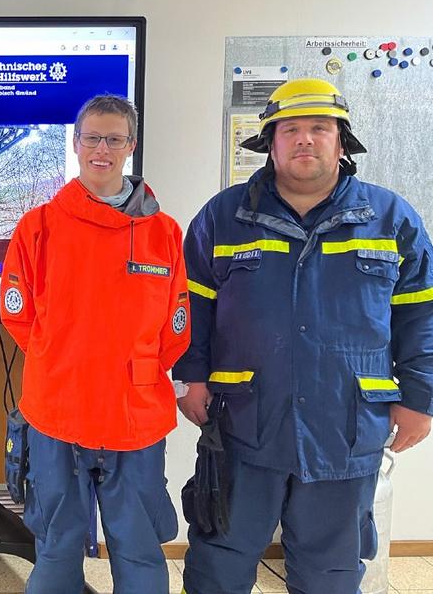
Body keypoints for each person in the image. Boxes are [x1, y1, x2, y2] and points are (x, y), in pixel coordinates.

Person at [176, 78, 433, 594]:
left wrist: (420, 398)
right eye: (290, 129)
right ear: (270, 143)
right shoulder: (223, 217)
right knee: (218, 564)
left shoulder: (391, 219)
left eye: (320, 128)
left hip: (345, 430)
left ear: (342, 142)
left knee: (330, 573)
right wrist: (190, 378)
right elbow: (190, 309)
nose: (305, 139)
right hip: (244, 424)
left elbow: (420, 316)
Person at [0, 95, 191, 593]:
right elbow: (18, 316)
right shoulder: (38, 227)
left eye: (113, 139)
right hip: (57, 416)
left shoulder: (164, 233)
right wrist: (67, 362)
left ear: (131, 146)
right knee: (56, 546)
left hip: (136, 419)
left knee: (140, 547)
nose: (101, 149)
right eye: (92, 138)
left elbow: (175, 332)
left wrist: (128, 370)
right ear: (75, 143)